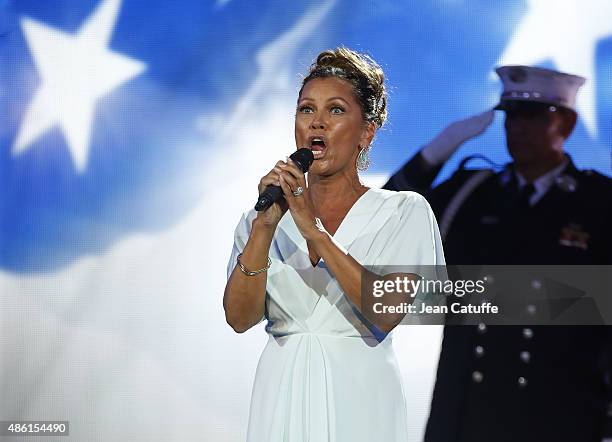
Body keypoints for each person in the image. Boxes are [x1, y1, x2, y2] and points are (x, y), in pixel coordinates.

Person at [224, 47, 445, 441]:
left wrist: (315, 233)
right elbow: (239, 319)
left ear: (367, 132)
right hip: (280, 400)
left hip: (360, 403)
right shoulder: (262, 220)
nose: (318, 123)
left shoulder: (401, 211)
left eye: (336, 110)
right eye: (307, 109)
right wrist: (264, 228)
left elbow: (386, 311)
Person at [384, 65, 612, 442]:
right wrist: (434, 154)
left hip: (562, 417)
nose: (517, 127)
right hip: (465, 416)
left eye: (533, 116)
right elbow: (381, 230)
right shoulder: (471, 194)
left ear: (567, 124)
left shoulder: (600, 203)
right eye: (510, 116)